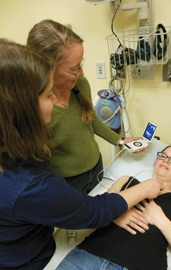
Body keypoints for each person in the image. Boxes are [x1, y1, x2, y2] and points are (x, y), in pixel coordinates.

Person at [0, 39, 162, 270]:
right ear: (21, 109)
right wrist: (145, 188)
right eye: (46, 95)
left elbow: (90, 119)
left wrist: (118, 144)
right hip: (23, 266)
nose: (54, 101)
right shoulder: (30, 184)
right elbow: (92, 212)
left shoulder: (16, 148)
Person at [45, 143, 171, 270]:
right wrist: (115, 215)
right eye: (163, 156)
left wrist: (161, 220)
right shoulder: (126, 181)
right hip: (86, 259)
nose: (166, 160)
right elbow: (93, 215)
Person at [26, 19, 145, 195]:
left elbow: (90, 118)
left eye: (81, 64)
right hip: (68, 182)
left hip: (95, 167)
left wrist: (119, 141)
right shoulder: (36, 107)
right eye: (74, 68)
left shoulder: (80, 84)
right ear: (47, 68)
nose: (81, 73)